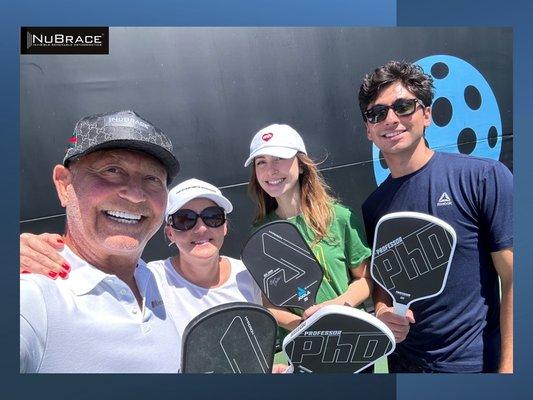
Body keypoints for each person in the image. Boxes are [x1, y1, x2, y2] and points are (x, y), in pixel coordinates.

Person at [358, 60, 513, 373]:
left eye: (403, 106)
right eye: (377, 113)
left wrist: (509, 369)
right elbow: (385, 283)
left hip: (474, 367)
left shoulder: (483, 178)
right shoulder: (373, 207)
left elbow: (514, 278)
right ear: (369, 130)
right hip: (404, 367)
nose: (391, 119)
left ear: (426, 114)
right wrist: (382, 309)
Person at [20, 110, 182, 373]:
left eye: (152, 178)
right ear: (64, 184)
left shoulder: (156, 282)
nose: (135, 194)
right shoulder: (33, 297)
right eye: (112, 170)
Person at [21, 178, 262, 338]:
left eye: (212, 216)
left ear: (225, 227)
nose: (200, 229)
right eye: (185, 220)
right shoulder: (147, 281)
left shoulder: (247, 275)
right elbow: (84, 272)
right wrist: (28, 251)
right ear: (169, 232)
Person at [244, 123, 373, 336]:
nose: (270, 170)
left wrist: (335, 309)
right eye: (261, 162)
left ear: (301, 164)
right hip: (305, 347)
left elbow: (365, 279)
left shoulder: (339, 217)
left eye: (279, 158)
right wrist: (305, 327)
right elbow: (267, 302)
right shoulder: (260, 233)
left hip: (353, 337)